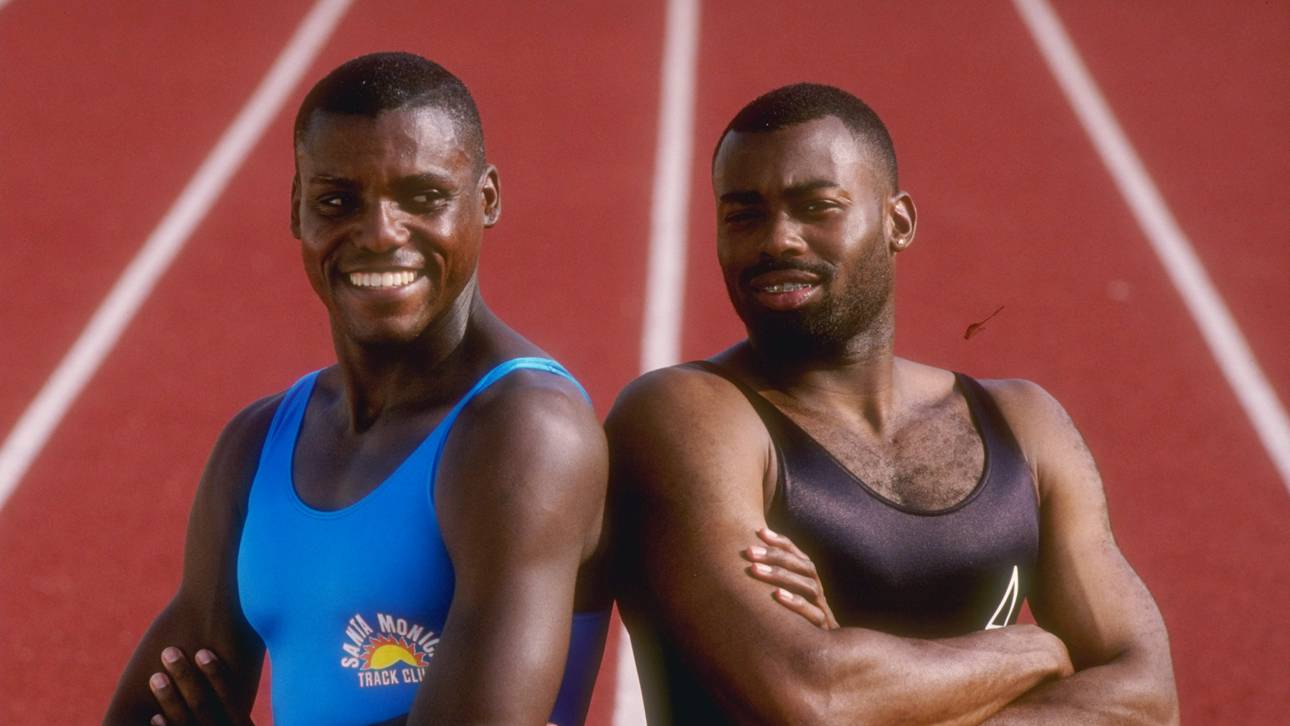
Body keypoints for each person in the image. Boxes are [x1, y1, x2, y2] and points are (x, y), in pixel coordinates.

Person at [607, 83, 1178, 724]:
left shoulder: (1024, 424)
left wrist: (878, 686)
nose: (779, 240)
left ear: (897, 222)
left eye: (817, 207)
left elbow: (1147, 698)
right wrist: (1035, 651)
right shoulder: (685, 416)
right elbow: (814, 697)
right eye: (744, 216)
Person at [106, 52, 610, 726]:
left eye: (424, 198)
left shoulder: (526, 434)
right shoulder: (258, 444)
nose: (379, 234)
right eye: (338, 201)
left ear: (486, 200)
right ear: (298, 209)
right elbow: (157, 703)